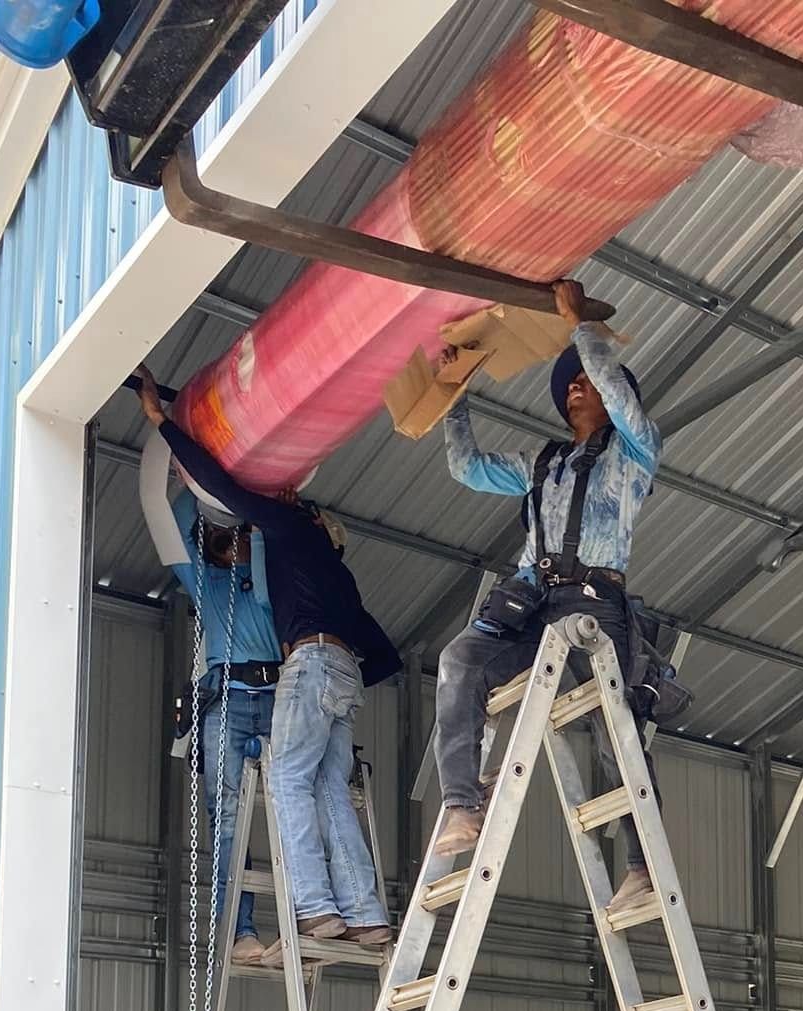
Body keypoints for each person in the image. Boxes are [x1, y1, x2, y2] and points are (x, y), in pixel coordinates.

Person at [136, 365, 400, 948]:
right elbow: (175, 516)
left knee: (288, 787)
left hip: (290, 684)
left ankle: (315, 907)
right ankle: (290, 923)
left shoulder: (276, 562)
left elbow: (253, 530)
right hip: (242, 695)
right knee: (245, 812)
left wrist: (173, 432)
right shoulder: (216, 583)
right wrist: (177, 450)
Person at [433, 277, 662, 916]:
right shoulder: (542, 464)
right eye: (567, 383)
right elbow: (466, 468)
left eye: (585, 379)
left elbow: (614, 388)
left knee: (614, 732)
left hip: (594, 606)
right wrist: (455, 397)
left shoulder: (634, 452)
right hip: (534, 609)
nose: (576, 385)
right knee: (461, 661)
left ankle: (643, 866)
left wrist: (580, 329)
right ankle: (461, 802)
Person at [138, 432, 282, 964]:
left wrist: (251, 516)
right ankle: (239, 930)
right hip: (228, 702)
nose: (231, 543)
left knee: (291, 812)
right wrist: (187, 476)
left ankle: (305, 916)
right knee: (227, 819)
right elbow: (171, 521)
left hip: (273, 700)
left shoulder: (264, 579)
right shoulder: (203, 583)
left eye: (234, 536)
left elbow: (266, 535)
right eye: (222, 538)